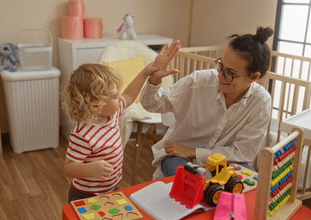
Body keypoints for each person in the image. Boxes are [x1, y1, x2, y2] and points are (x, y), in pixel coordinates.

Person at [140, 27, 274, 178]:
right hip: (178, 157)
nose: (220, 75)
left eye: (230, 73)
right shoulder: (199, 82)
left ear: (253, 77)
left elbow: (243, 153)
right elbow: (151, 104)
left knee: (251, 184)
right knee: (192, 183)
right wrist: (155, 78)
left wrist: (193, 152)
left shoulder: (260, 102)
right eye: (221, 66)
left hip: (223, 161)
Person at [63, 41, 180, 202]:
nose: (120, 98)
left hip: (111, 188)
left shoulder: (112, 112)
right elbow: (69, 167)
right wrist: (89, 169)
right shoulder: (83, 133)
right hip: (86, 195)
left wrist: (145, 73)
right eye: (115, 96)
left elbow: (130, 95)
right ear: (96, 106)